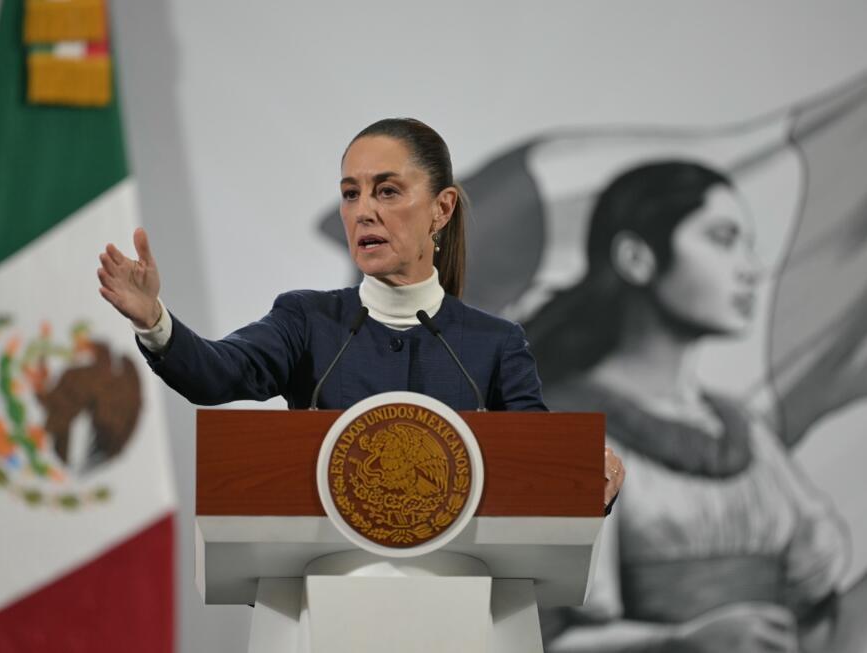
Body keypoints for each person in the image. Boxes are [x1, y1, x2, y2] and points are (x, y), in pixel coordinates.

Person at [96, 117, 624, 508]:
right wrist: (154, 321)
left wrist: (589, 478)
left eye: (387, 191)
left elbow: (542, 464)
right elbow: (215, 375)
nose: (363, 210)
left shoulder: (495, 343)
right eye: (351, 194)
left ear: (441, 209)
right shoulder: (307, 321)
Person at [527, 161, 853, 652]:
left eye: (748, 243)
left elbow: (816, 590)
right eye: (722, 239)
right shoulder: (557, 429)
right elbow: (534, 638)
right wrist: (680, 641)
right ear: (637, 258)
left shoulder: (741, 430)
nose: (750, 268)